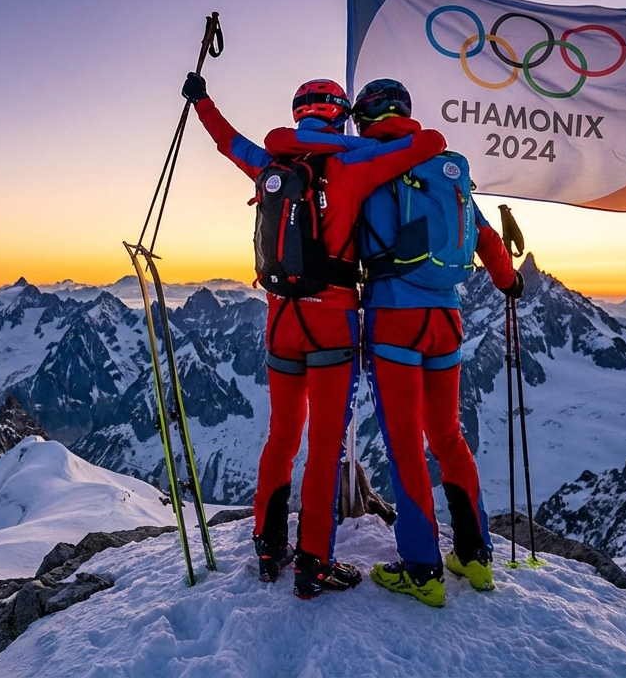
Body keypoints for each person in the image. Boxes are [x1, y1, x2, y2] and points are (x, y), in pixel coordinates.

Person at [181, 72, 447, 598]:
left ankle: (267, 545)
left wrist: (202, 99)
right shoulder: (354, 162)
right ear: (340, 115)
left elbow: (226, 140)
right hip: (333, 319)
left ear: (300, 111)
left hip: (280, 316)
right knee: (324, 447)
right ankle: (314, 563)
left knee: (281, 437)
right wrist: (361, 140)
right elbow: (430, 145)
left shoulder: (271, 162)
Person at [351, 78, 523, 607]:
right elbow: (486, 239)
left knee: (405, 446)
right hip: (446, 319)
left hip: (394, 321)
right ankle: (475, 555)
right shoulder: (446, 168)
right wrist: (508, 281)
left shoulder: (370, 159)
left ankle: (423, 569)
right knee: (448, 436)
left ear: (365, 118)